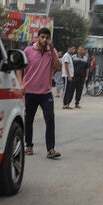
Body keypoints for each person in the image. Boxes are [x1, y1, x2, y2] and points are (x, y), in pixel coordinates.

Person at [21, 27, 62, 159]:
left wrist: (53, 51)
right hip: (30, 91)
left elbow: (58, 68)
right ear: (37, 38)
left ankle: (50, 149)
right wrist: (20, 84)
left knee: (50, 118)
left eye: (47, 38)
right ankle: (28, 145)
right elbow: (19, 67)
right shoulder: (28, 51)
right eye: (42, 37)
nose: (45, 40)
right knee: (28, 119)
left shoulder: (52, 52)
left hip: (46, 92)